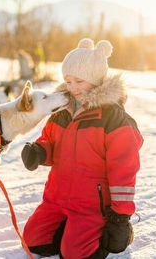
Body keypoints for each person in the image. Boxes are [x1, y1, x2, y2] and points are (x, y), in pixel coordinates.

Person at [21, 38, 143, 259]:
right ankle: (70, 228)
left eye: (79, 80)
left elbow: (124, 170)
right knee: (33, 241)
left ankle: (94, 234)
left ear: (95, 80)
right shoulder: (61, 110)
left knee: (75, 255)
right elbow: (49, 140)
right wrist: (39, 151)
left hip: (90, 204)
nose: (72, 88)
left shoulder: (112, 119)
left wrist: (120, 216)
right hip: (57, 197)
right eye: (68, 81)